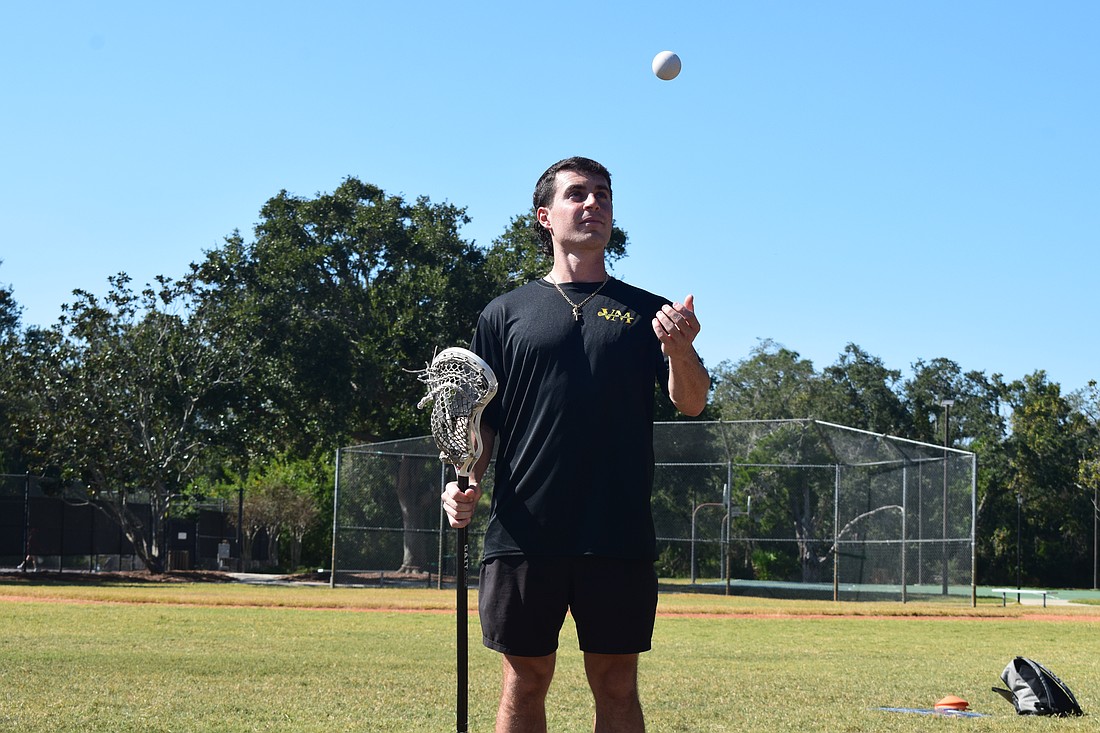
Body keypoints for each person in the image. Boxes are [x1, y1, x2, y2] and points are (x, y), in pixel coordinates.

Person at [441, 156, 710, 733]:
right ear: (545, 215)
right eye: (578, 195)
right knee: (525, 678)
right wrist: (464, 484)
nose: (594, 205)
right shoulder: (503, 314)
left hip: (616, 530)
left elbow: (691, 401)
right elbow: (483, 424)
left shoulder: (648, 312)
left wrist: (680, 350)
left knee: (615, 682)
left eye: (604, 196)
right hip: (525, 530)